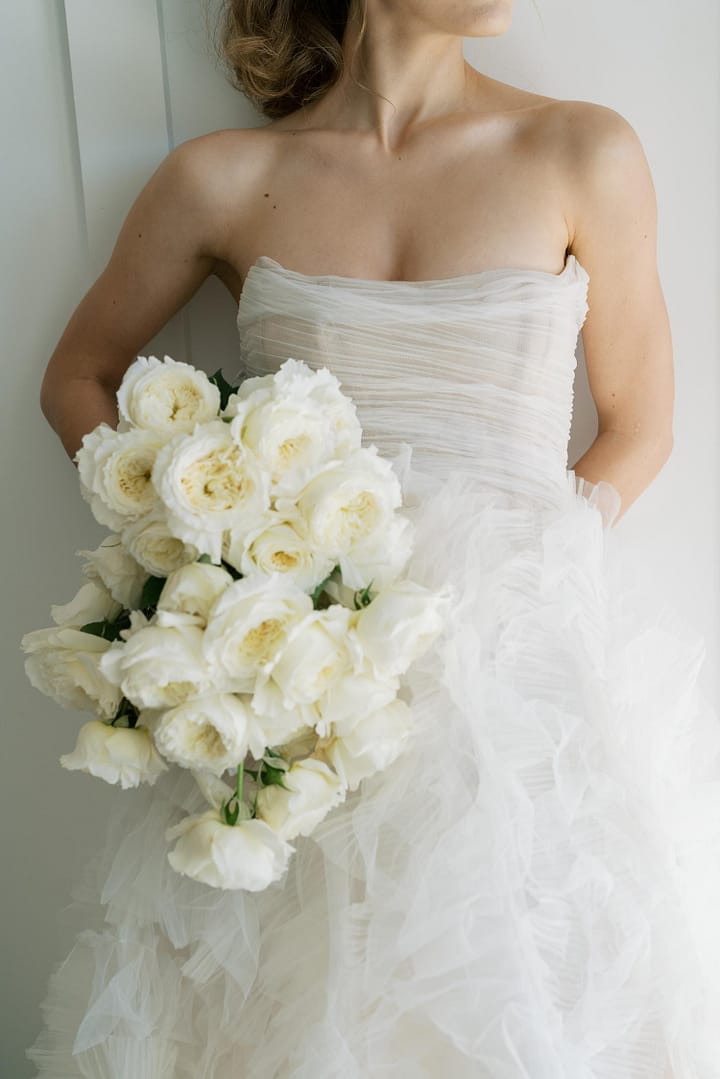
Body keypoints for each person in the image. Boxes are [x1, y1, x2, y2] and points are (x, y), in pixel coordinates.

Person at [26, 1, 720, 1076]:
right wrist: (205, 554)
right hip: (296, 675)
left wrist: (535, 565)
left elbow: (643, 428)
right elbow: (76, 379)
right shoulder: (217, 177)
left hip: (518, 677)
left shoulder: (583, 150)